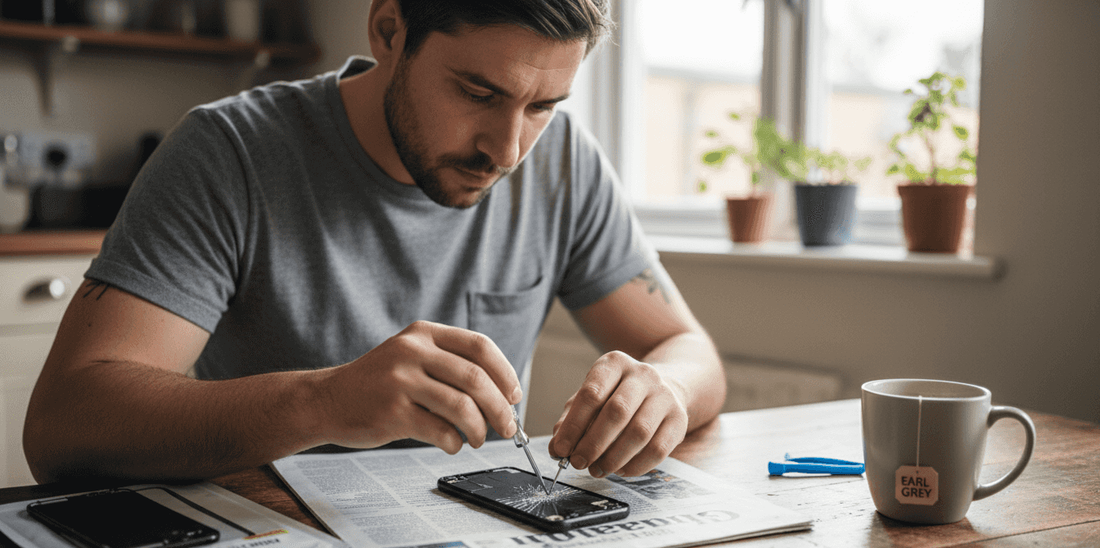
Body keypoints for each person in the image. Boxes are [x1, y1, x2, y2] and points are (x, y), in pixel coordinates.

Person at [24, 0, 726, 485]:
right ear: (390, 31)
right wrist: (323, 400)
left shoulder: (564, 162)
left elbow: (693, 353)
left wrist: (661, 386)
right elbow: (64, 425)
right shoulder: (229, 152)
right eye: (478, 92)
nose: (508, 150)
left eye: (542, 106)